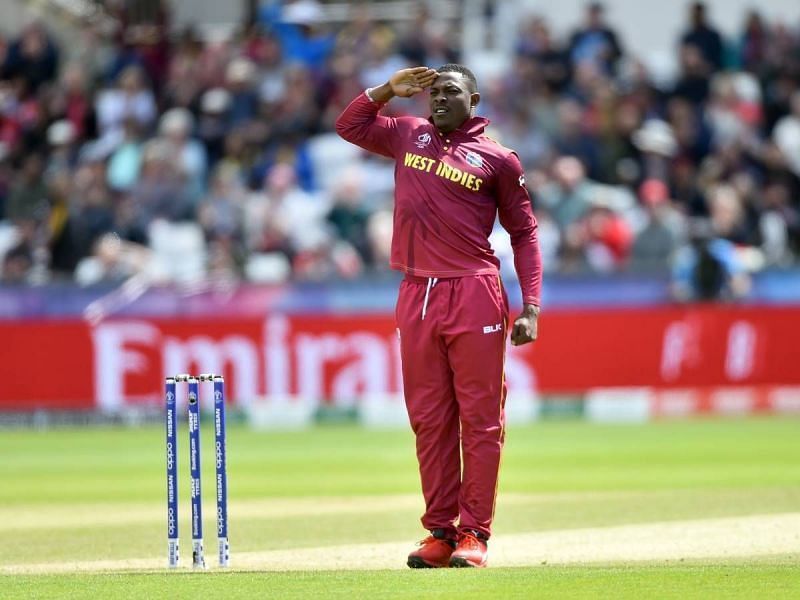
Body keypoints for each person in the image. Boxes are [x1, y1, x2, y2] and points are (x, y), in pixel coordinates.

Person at [336, 65, 542, 568]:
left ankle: (475, 534)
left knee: (479, 421)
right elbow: (350, 126)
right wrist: (387, 90)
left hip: (473, 291)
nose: (439, 99)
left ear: (474, 100)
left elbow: (525, 234)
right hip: (416, 292)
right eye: (435, 92)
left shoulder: (498, 160)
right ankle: (440, 533)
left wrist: (531, 305)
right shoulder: (409, 135)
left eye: (451, 92)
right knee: (429, 420)